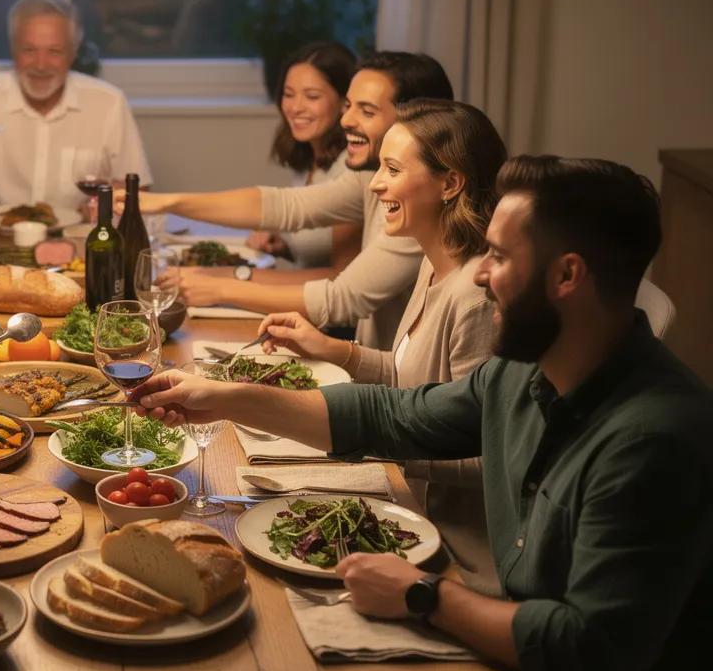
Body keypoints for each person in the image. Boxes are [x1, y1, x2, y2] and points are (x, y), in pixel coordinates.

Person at [131, 156, 711, 671]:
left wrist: (424, 595)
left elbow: (587, 653)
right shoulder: (525, 369)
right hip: (508, 654)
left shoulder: (654, 439)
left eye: (500, 257)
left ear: (567, 275)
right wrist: (228, 400)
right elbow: (393, 416)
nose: (481, 277)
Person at [258, 99, 507, 592]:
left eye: (392, 170)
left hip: (456, 550)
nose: (375, 184)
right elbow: (413, 382)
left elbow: (490, 458)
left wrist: (379, 445)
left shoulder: (476, 296)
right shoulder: (434, 259)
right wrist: (332, 348)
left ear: (450, 183)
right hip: (405, 507)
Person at [141, 52, 454, 350]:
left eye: (367, 111)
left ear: (415, 122)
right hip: (372, 370)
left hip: (387, 390)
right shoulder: (369, 176)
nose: (346, 120)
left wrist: (221, 286)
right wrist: (166, 201)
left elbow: (342, 298)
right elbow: (285, 206)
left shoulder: (422, 207)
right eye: (349, 106)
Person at [0, 0, 151, 213]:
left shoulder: (108, 102)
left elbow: (136, 189)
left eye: (54, 51)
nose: (40, 65)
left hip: (76, 247)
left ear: (73, 52)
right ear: (13, 49)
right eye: (29, 49)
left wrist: (104, 207)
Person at [247, 41, 363, 272]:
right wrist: (285, 248)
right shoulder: (310, 158)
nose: (295, 107)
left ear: (344, 103)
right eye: (288, 94)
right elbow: (318, 258)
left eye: (312, 96)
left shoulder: (351, 169)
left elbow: (343, 284)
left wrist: (232, 280)